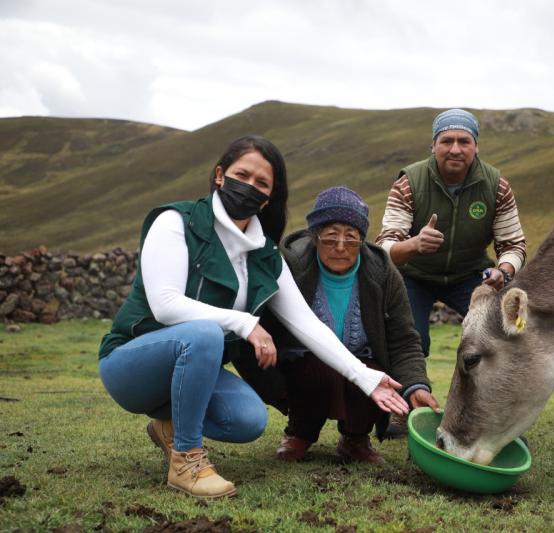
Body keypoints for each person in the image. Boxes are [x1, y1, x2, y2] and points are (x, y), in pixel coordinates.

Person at [97, 136, 408, 500]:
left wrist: (365, 376)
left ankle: (168, 425)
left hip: (190, 371)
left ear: (269, 197)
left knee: (247, 419)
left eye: (262, 183)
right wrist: (245, 323)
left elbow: (306, 324)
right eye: (241, 174)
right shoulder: (175, 221)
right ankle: (186, 460)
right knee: (205, 334)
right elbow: (166, 304)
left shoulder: (265, 254)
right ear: (219, 176)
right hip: (131, 366)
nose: (249, 187)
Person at [236, 186, 440, 463]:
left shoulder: (382, 272)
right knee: (321, 371)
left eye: (352, 239)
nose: (341, 247)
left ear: (362, 240)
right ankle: (300, 433)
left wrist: (417, 386)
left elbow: (404, 338)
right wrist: (276, 388)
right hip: (303, 365)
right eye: (331, 238)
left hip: (363, 359)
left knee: (374, 374)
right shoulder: (291, 266)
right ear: (314, 237)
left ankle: (355, 439)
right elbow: (261, 328)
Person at [376, 109, 526, 435]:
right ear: (433, 146)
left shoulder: (497, 186)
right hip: (413, 275)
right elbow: (385, 247)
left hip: (471, 274)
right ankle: (402, 409)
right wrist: (414, 244)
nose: (455, 148)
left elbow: (514, 245)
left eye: (464, 141)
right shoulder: (409, 183)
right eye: (447, 141)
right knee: (408, 337)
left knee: (497, 336)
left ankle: (493, 417)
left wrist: (503, 270)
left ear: (476, 146)